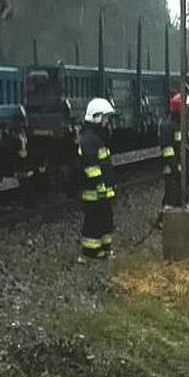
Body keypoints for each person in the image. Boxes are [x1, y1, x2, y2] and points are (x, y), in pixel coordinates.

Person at [79, 98, 116, 260]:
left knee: (105, 220)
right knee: (93, 222)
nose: (107, 123)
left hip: (102, 191)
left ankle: (105, 248)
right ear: (96, 117)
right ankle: (91, 252)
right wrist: (100, 186)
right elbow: (92, 168)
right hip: (94, 192)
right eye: (105, 118)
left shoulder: (96, 139)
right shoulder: (89, 140)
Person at [160, 92, 189, 209]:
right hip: (172, 170)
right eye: (186, 108)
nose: (188, 112)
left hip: (186, 167)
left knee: (185, 193)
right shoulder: (168, 126)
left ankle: (181, 217)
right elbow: (167, 150)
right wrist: (176, 167)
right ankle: (166, 220)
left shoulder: (186, 124)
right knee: (172, 195)